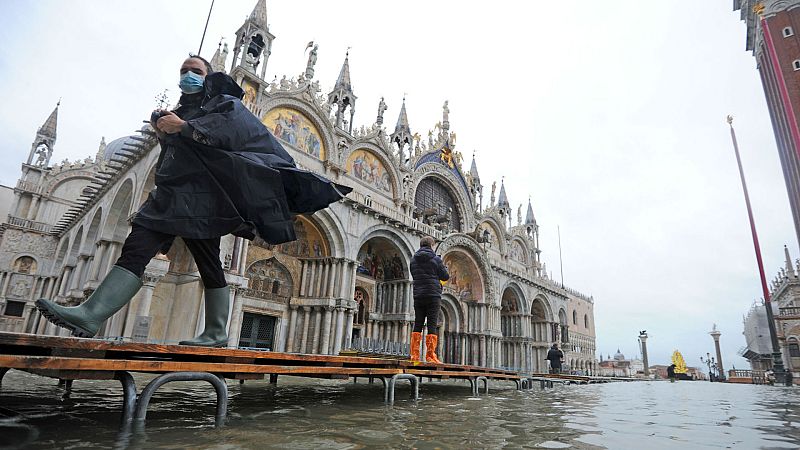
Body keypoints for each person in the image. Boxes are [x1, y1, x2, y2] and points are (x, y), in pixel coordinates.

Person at [36, 55, 351, 347]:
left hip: (203, 200)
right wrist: (166, 129)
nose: (188, 76)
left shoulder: (224, 103)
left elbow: (232, 130)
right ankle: (93, 314)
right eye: (184, 71)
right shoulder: (182, 110)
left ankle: (214, 331)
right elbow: (177, 154)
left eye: (196, 72)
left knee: (209, 264)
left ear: (209, 77)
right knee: (137, 248)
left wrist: (185, 127)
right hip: (172, 195)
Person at [408, 236, 449, 363]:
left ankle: (414, 355)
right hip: (433, 295)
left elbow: (414, 274)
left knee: (418, 323)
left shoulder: (413, 260)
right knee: (432, 324)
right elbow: (445, 276)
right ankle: (430, 356)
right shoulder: (436, 259)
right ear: (431, 245)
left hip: (418, 295)